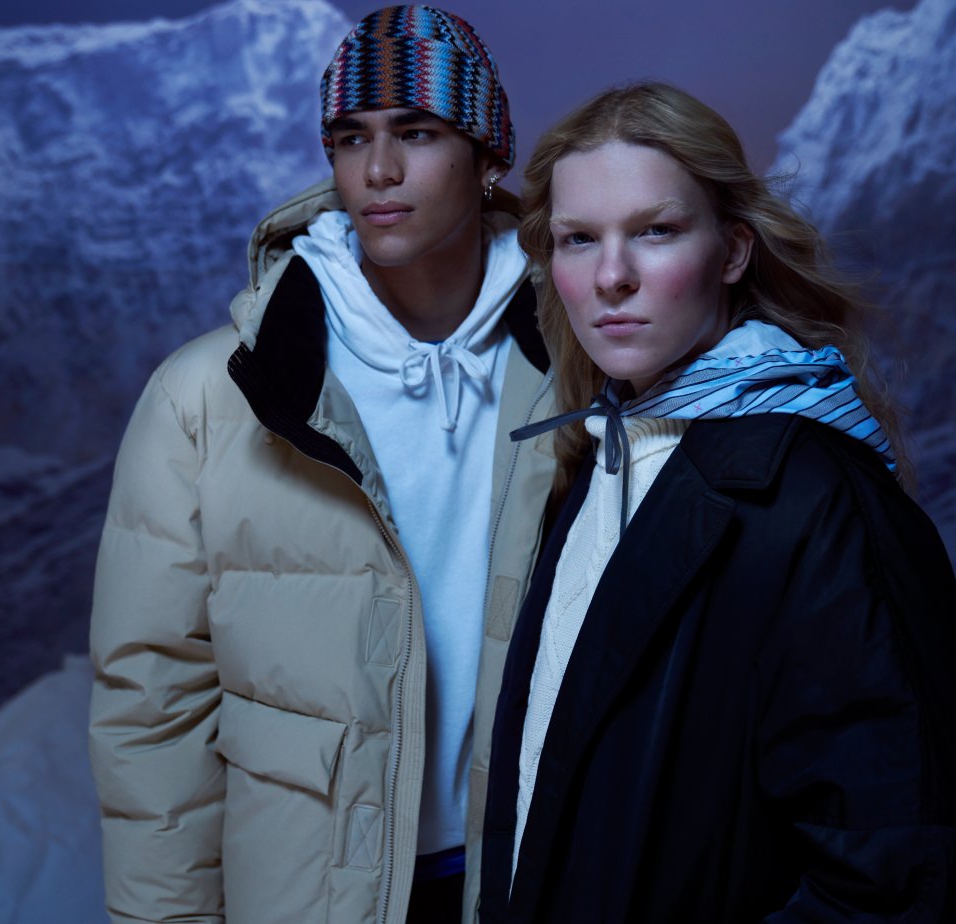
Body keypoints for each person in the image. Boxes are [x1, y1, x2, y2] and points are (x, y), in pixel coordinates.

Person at [88, 7, 555, 923]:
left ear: (488, 152)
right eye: (350, 138)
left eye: (416, 133)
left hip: (537, 872)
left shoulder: (579, 365)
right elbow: (152, 707)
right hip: (309, 893)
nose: (377, 171)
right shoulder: (207, 395)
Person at [480, 82, 956, 922]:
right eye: (579, 239)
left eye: (655, 232)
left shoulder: (818, 497)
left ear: (733, 252)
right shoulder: (601, 457)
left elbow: (888, 876)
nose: (612, 277)